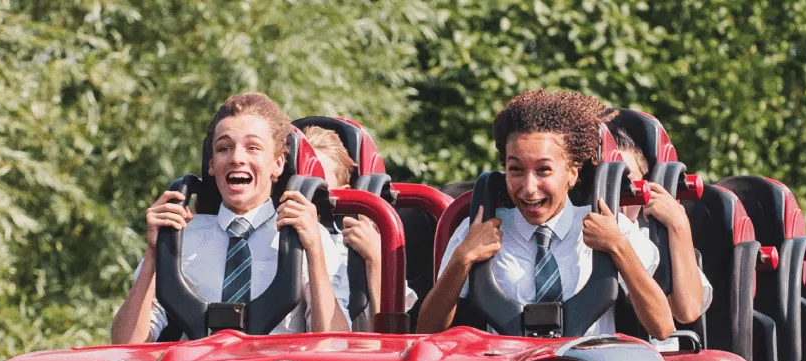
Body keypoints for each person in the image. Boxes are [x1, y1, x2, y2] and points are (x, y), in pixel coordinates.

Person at [415, 89, 673, 338]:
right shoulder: (477, 230)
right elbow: (426, 331)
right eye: (515, 170)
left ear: (572, 173)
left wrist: (618, 247)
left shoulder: (612, 227)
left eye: (543, 171)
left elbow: (661, 327)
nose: (528, 188)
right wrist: (463, 258)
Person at [111, 93, 348, 344]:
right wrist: (153, 253)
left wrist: (314, 251)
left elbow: (334, 345)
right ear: (212, 165)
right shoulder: (181, 238)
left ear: (278, 164)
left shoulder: (308, 238)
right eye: (224, 148)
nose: (237, 158)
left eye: (253, 148)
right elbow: (125, 345)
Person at [300, 124, 414, 325]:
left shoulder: (366, 243)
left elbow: (393, 334)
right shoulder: (275, 238)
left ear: (344, 192)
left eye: (318, 185)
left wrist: (376, 260)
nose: (306, 191)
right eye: (301, 182)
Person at [608, 127, 711, 326]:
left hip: (657, 350)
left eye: (625, 182)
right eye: (607, 182)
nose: (615, 193)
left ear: (644, 186)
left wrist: (678, 225)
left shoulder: (655, 238)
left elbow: (687, 311)